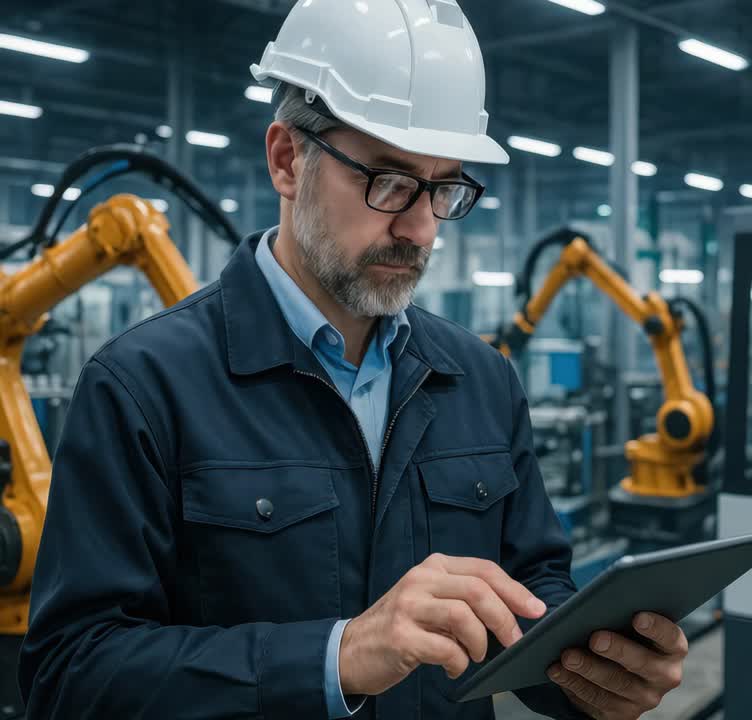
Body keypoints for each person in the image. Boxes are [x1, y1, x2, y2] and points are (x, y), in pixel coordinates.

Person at [17, 1, 688, 718]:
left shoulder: (482, 380)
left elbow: (533, 594)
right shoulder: (144, 387)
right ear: (286, 159)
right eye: (390, 182)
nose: (421, 226)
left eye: (446, 187)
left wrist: (601, 668)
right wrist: (335, 658)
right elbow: (72, 675)